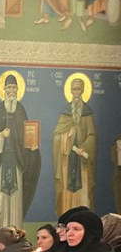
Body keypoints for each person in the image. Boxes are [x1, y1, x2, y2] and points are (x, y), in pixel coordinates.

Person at [0, 74, 41, 229]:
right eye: (9, 87)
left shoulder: (21, 110)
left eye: (14, 87)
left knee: (15, 201)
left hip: (17, 163)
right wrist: (0, 136)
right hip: (0, 165)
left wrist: (33, 148)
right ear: (4, 89)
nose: (11, 90)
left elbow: (27, 138)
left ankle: (16, 233)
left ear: (17, 90)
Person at [52, 76, 97, 214]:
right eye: (74, 90)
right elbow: (56, 136)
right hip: (67, 161)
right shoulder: (65, 112)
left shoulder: (87, 112)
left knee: (83, 194)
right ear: (71, 91)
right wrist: (67, 137)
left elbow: (92, 135)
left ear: (82, 90)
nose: (76, 92)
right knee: (66, 195)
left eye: (78, 89)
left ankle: (83, 219)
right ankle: (66, 218)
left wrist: (84, 147)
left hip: (82, 163)